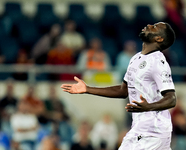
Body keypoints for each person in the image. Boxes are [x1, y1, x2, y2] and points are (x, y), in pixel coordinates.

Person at [61, 22, 177, 150]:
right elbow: (123, 90)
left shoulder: (158, 62)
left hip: (153, 131)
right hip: (140, 129)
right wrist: (88, 89)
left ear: (159, 39)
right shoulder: (135, 58)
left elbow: (171, 98)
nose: (149, 25)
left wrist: (149, 106)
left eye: (155, 27)